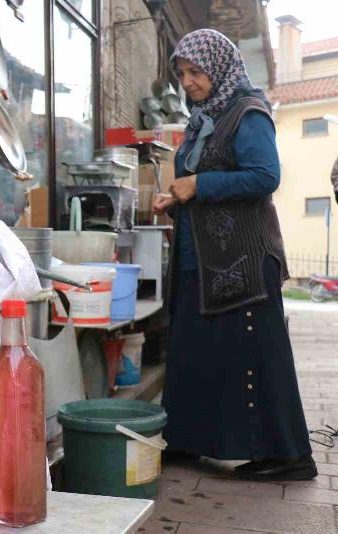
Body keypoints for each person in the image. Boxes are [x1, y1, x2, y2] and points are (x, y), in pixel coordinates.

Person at [153, 29, 316, 481]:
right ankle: (187, 439)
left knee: (257, 355)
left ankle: (289, 455)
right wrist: (178, 197)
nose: (188, 81)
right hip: (204, 259)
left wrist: (198, 185)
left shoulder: (247, 112)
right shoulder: (204, 117)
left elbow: (266, 176)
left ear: (220, 67)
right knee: (195, 350)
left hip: (244, 258)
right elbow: (199, 179)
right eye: (182, 73)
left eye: (196, 71)